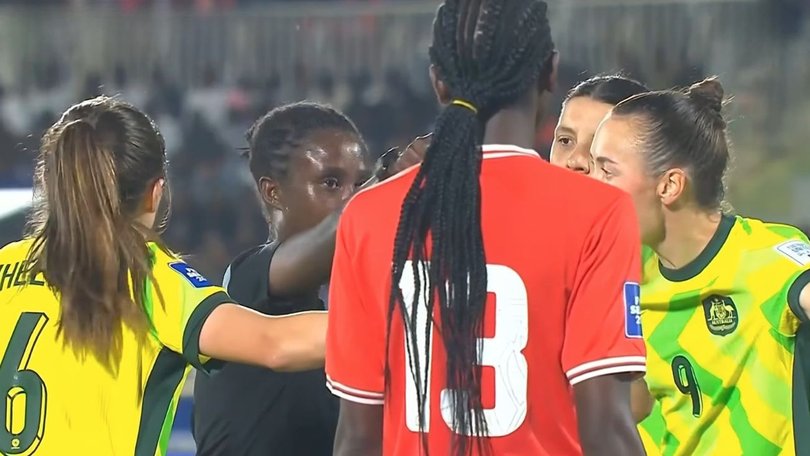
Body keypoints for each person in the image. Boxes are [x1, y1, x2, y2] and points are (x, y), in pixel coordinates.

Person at [325, 1, 648, 455]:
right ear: (550, 72)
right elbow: (606, 429)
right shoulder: (599, 211)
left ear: (438, 82)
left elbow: (358, 436)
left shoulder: (368, 215)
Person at [0, 97, 328, 456]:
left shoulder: (5, 264)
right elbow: (275, 343)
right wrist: (379, 315)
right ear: (155, 192)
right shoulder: (149, 278)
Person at [590, 77, 810, 455]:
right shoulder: (625, 280)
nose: (589, 186)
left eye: (607, 171)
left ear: (669, 186)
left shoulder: (764, 258)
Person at [192, 102, 426, 455]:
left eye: (359, 182)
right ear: (272, 192)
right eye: (330, 183)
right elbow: (344, 230)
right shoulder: (244, 284)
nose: (350, 196)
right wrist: (390, 181)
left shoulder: (334, 329)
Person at [548, 74, 667, 454]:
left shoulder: (667, 265)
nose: (576, 162)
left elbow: (629, 405)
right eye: (565, 141)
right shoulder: (527, 259)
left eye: (599, 147)